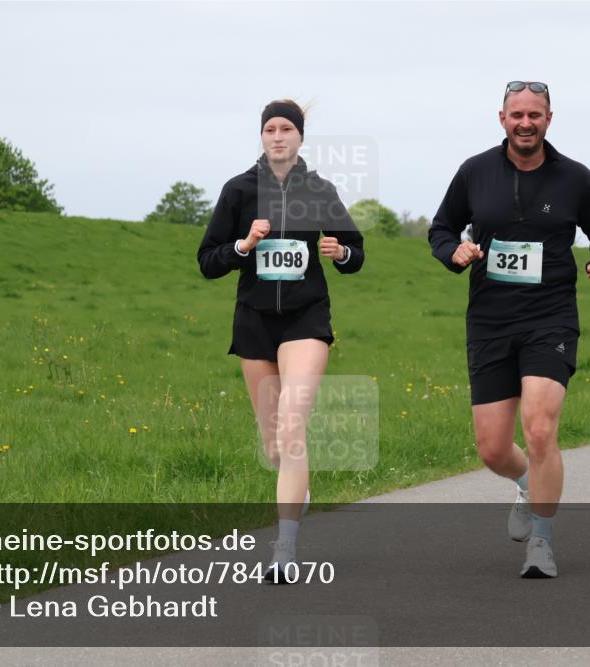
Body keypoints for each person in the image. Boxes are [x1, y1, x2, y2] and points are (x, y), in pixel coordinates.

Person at [428, 81, 590, 578]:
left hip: (550, 317)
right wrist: (453, 251)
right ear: (502, 119)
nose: (525, 123)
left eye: (535, 115)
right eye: (517, 115)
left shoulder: (575, 178)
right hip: (490, 320)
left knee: (539, 429)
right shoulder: (475, 172)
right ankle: (523, 483)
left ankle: (542, 540)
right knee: (493, 448)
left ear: (549, 119)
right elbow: (441, 228)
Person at [198, 99, 364, 583]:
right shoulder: (238, 190)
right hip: (254, 322)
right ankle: (297, 486)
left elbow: (356, 253)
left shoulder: (320, 190)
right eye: (269, 128)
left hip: (305, 319)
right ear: (261, 136)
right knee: (274, 446)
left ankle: (285, 549)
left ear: (300, 137)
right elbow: (207, 261)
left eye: (286, 128)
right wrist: (242, 245)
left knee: (292, 429)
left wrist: (341, 251)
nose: (277, 136)